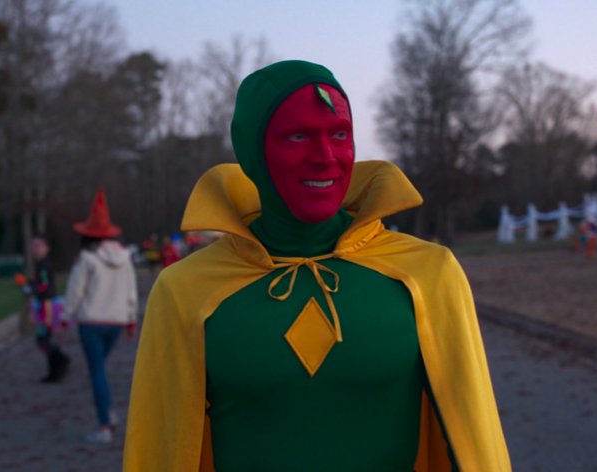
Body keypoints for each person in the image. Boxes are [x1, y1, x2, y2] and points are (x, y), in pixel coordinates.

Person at [125, 60, 509, 471]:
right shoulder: (185, 291)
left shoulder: (428, 274)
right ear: (252, 153)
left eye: (339, 134)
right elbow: (158, 449)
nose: (325, 156)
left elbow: (474, 438)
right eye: (298, 136)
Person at [65, 189, 138, 444]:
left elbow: (76, 290)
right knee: (99, 368)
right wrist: (131, 318)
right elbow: (131, 289)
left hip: (91, 322)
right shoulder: (125, 258)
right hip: (116, 321)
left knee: (97, 371)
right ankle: (108, 412)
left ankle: (104, 422)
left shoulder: (87, 258)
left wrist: (66, 314)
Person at [22, 235, 69, 383]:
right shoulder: (41, 265)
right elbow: (42, 283)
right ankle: (56, 366)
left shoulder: (43, 266)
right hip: (45, 303)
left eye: (39, 245)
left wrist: (31, 289)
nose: (35, 248)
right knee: (44, 339)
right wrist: (30, 284)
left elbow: (44, 285)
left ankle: (59, 363)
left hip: (47, 305)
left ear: (46, 248)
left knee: (43, 339)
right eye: (33, 245)